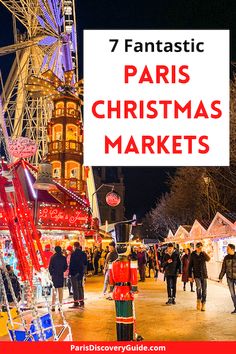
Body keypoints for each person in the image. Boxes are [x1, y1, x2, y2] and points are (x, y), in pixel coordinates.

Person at [188, 242, 210, 311]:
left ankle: (203, 304)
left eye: (200, 247)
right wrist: (190, 276)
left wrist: (203, 252)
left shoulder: (203, 254)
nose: (199, 249)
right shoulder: (193, 254)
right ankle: (198, 301)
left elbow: (208, 259)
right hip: (196, 275)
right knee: (198, 287)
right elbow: (190, 266)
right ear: (196, 247)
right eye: (198, 247)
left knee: (204, 290)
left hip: (204, 275)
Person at [219, 243, 236, 314]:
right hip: (229, 278)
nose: (226, 250)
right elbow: (224, 268)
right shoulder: (226, 257)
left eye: (228, 248)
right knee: (232, 294)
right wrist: (220, 277)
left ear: (232, 249)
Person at [49, 246, 67, 311]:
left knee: (54, 291)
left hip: (54, 276)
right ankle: (60, 305)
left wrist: (52, 273)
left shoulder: (52, 257)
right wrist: (62, 271)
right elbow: (66, 266)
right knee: (60, 291)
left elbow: (50, 267)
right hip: (60, 275)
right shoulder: (63, 257)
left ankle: (53, 306)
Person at [69, 242, 87, 308]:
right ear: (79, 246)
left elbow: (72, 265)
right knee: (80, 287)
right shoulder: (83, 254)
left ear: (74, 246)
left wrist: (70, 273)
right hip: (80, 273)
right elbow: (85, 263)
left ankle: (76, 302)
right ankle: (81, 301)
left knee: (75, 288)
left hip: (74, 273)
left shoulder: (73, 254)